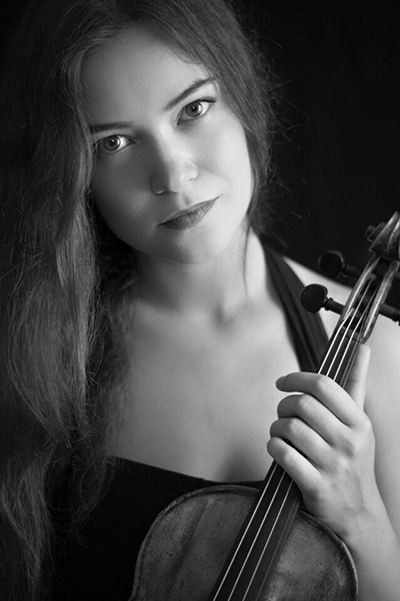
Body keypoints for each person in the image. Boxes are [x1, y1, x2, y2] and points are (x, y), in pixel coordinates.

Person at [0, 0, 399, 599]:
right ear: (73, 173)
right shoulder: (37, 357)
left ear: (243, 102)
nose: (172, 175)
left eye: (193, 109)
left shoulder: (384, 352)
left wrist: (359, 514)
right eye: (113, 142)